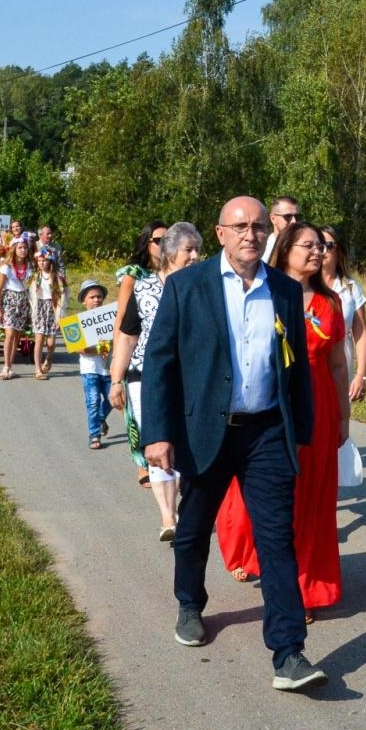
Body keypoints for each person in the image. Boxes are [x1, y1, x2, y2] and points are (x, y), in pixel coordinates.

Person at [139, 196, 326, 692]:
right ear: (219, 233)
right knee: (194, 526)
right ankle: (189, 603)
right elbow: (160, 362)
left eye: (259, 226)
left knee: (276, 538)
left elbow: (295, 368)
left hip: (265, 430)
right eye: (240, 226)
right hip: (206, 430)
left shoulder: (284, 290)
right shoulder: (187, 286)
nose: (251, 234)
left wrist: (299, 431)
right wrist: (156, 434)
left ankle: (288, 653)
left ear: (269, 234)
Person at [216, 221, 350, 620]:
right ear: (286, 248)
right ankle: (250, 549)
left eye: (322, 246)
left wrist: (344, 416)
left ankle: (305, 586)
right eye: (308, 245)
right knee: (273, 494)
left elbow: (338, 363)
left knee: (313, 498)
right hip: (275, 401)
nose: (318, 252)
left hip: (321, 403)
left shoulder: (331, 304)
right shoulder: (264, 292)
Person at [112, 223, 203, 540]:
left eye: (197, 250)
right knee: (156, 439)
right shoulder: (143, 288)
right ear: (169, 252)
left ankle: (180, 505)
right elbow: (127, 336)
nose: (194, 256)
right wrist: (115, 379)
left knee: (183, 442)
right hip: (145, 377)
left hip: (189, 377)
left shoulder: (202, 289)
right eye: (188, 249)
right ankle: (168, 517)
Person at [114, 220, 168, 488]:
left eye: (168, 240)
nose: (163, 245)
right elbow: (123, 319)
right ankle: (141, 465)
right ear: (147, 243)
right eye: (158, 240)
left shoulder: (177, 272)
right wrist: (117, 365)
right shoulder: (134, 274)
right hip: (137, 358)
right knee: (136, 414)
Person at [320, 224, 366, 406]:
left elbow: (361, 333)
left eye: (329, 245)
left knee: (338, 424)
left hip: (341, 369)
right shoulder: (304, 285)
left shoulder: (350, 288)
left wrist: (361, 375)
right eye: (319, 244)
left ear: (339, 250)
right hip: (312, 368)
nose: (323, 250)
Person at [75, 280, 113, 450]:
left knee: (114, 398)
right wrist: (103, 347)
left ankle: (99, 418)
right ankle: (94, 435)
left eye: (99, 296)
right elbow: (80, 348)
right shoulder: (77, 322)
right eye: (92, 297)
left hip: (109, 368)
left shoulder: (111, 318)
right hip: (90, 369)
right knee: (93, 401)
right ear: (84, 301)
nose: (96, 300)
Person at [0, 237, 33, 381]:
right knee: (10, 333)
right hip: (10, 301)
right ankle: (5, 366)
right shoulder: (7, 267)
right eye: (20, 248)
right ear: (14, 249)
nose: (23, 250)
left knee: (17, 335)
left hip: (23, 302)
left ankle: (10, 366)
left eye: (25, 247)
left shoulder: (30, 266)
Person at [29, 246, 65, 380]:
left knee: (51, 342)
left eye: (44, 260)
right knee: (38, 340)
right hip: (39, 308)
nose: (41, 263)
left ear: (50, 261)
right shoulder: (35, 276)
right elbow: (32, 294)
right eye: (39, 261)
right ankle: (38, 370)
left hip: (52, 307)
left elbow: (61, 296)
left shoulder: (57, 277)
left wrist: (59, 315)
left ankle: (49, 358)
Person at [261, 195, 301, 262]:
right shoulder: (262, 252)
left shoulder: (304, 249)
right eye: (288, 217)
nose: (294, 221)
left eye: (297, 217)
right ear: (273, 219)